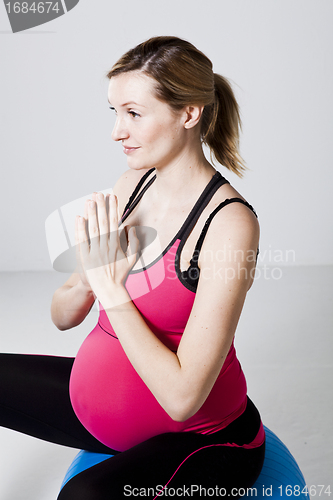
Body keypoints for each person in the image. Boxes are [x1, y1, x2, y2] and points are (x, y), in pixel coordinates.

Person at [0, 36, 265, 499]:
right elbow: (62, 317)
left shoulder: (228, 225)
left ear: (188, 113)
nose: (116, 131)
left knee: (81, 496)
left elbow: (183, 400)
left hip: (202, 438)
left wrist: (113, 289)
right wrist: (90, 275)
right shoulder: (131, 185)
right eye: (114, 112)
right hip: (99, 413)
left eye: (134, 114)